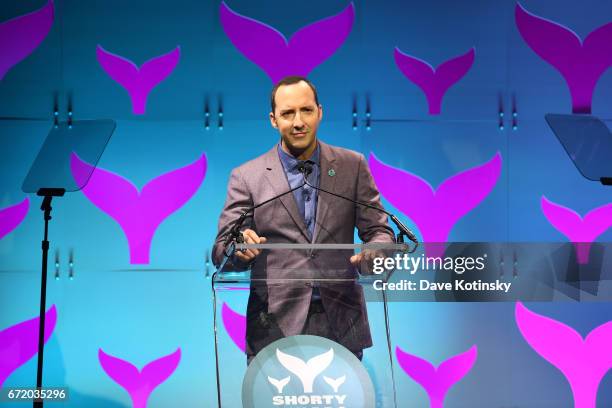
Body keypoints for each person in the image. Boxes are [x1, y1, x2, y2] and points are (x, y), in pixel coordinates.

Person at [212, 76, 395, 363]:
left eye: (306, 110)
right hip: (273, 323)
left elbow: (379, 231)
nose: (298, 122)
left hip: (341, 321)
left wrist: (378, 250)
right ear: (274, 120)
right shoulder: (247, 176)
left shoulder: (352, 166)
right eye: (288, 113)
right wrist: (240, 248)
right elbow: (222, 248)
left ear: (319, 112)